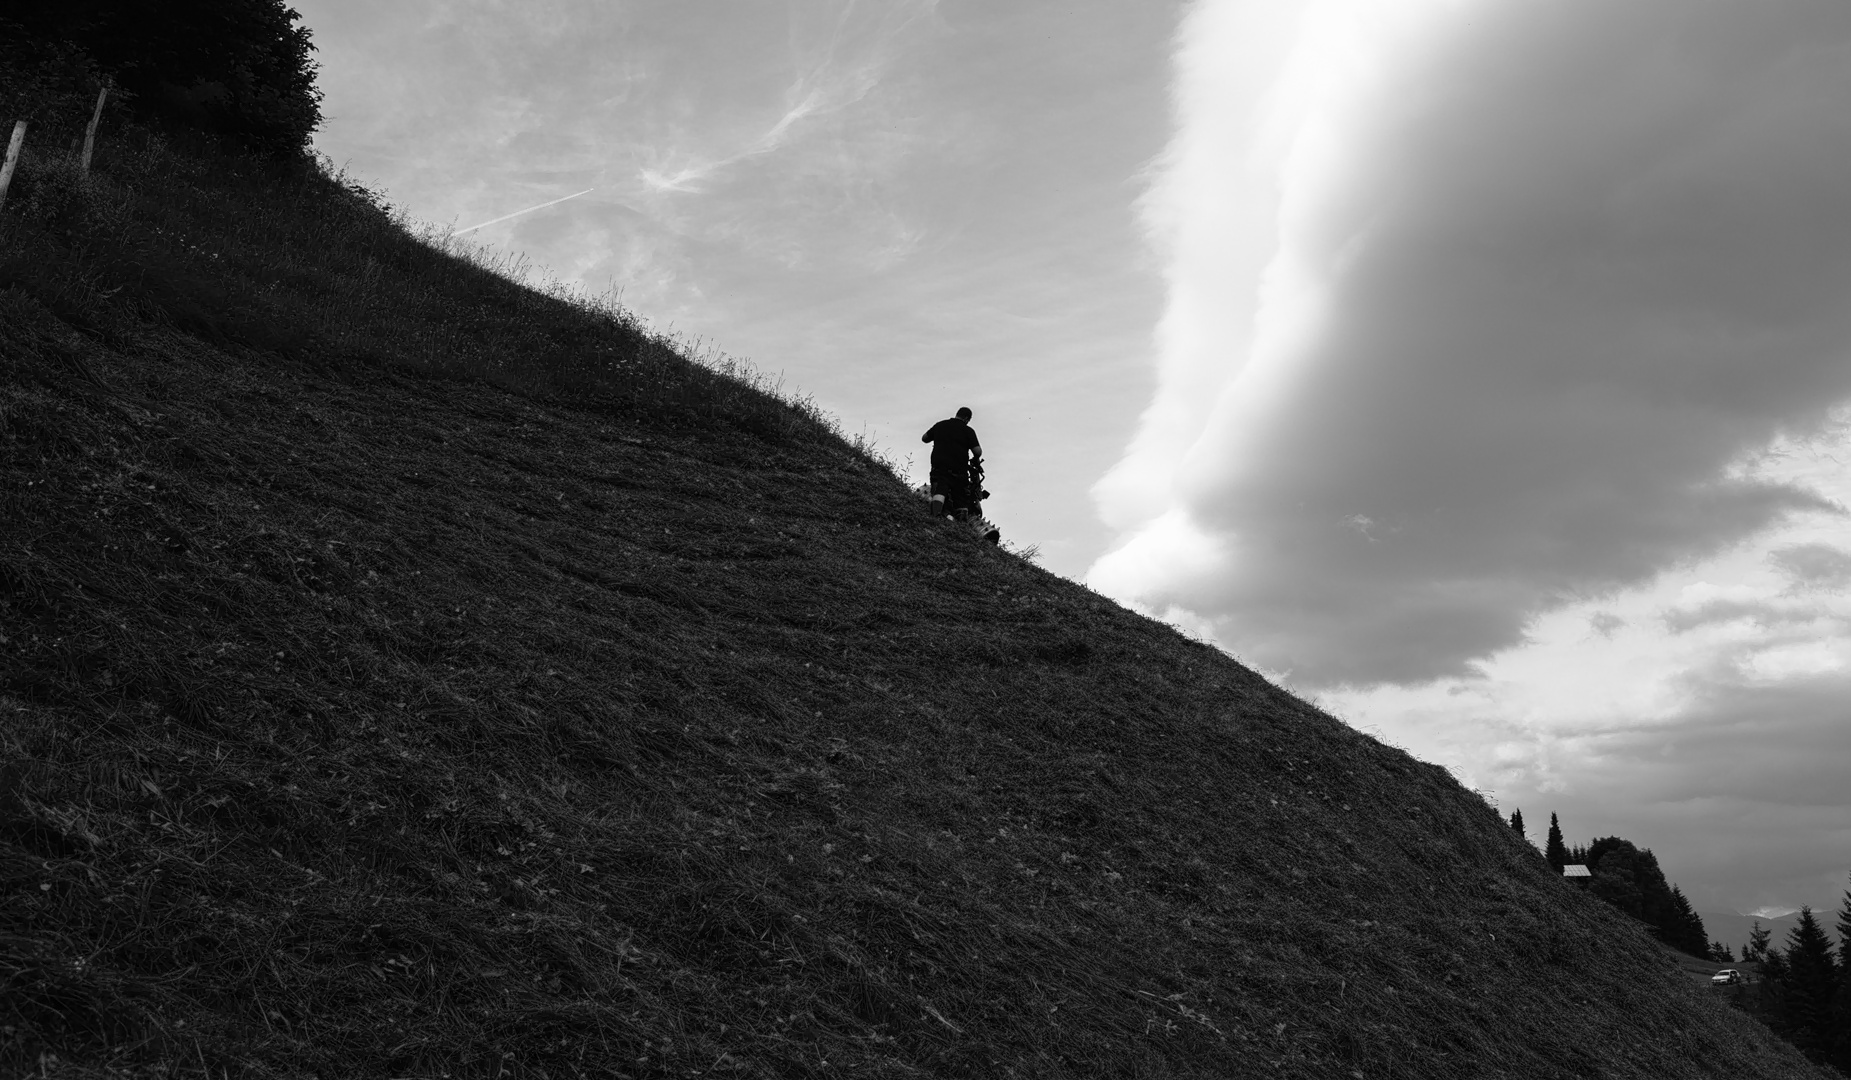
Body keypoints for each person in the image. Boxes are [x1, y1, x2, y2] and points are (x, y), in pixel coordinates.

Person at [921, 407, 982, 519]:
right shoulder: (968, 431)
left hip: (939, 467)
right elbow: (977, 451)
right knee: (960, 497)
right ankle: (961, 523)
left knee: (940, 489)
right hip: (959, 470)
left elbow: (924, 438)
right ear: (967, 418)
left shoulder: (940, 425)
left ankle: (935, 515)